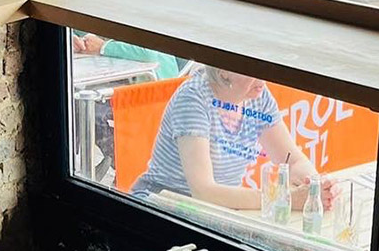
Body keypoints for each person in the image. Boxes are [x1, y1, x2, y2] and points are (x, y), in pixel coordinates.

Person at [131, 63, 335, 211]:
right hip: (162, 206)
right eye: (254, 67)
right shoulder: (193, 99)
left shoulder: (258, 96)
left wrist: (315, 187)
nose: (264, 77)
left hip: (217, 212)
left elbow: (293, 160)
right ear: (225, 71)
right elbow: (204, 192)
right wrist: (286, 199)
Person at [72, 32, 184, 81]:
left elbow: (148, 53)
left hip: (154, 87)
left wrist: (103, 47)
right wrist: (72, 38)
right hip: (104, 77)